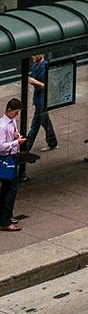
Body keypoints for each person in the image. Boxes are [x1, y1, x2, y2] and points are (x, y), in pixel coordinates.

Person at [22, 54, 54, 163]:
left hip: (42, 99)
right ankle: (52, 142)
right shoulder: (34, 66)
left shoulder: (45, 66)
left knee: (35, 124)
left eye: (35, 55)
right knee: (44, 122)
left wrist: (34, 82)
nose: (33, 57)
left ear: (42, 55)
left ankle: (26, 148)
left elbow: (48, 85)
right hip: (38, 98)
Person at [0, 98, 23, 231]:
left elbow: (13, 134)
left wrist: (16, 136)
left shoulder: (12, 121)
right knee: (10, 190)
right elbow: (1, 146)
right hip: (5, 158)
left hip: (12, 157)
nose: (16, 115)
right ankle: (5, 220)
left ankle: (5, 216)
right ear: (9, 110)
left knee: (7, 189)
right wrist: (16, 143)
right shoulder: (2, 126)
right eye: (15, 112)